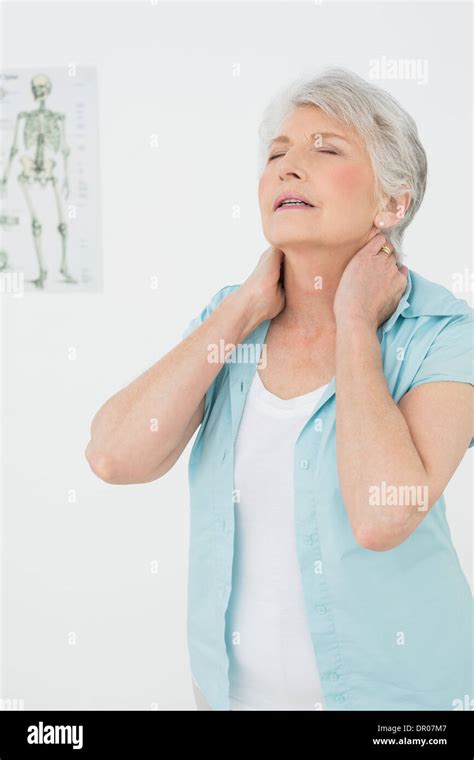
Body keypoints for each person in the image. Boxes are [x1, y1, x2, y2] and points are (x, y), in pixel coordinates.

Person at [86, 67, 473, 711]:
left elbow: (382, 515)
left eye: (326, 148)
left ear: (393, 203)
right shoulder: (229, 322)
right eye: (276, 154)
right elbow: (112, 456)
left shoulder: (444, 333)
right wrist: (241, 309)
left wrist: (354, 324)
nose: (289, 168)